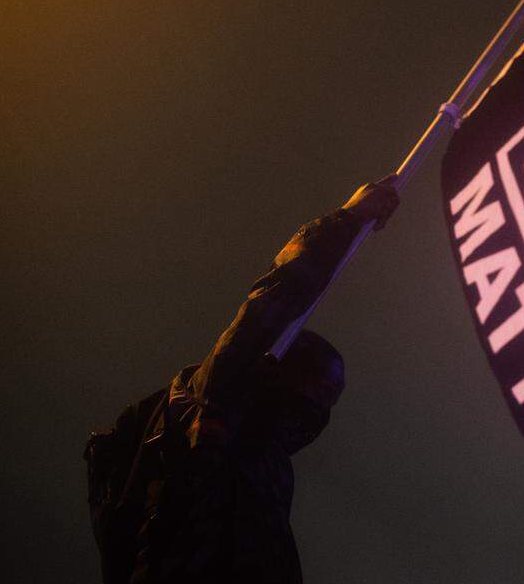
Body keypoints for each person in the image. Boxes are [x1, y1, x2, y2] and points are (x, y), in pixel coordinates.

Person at [85, 175, 400, 584]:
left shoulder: (270, 462)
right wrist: (348, 219)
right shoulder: (213, 399)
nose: (322, 407)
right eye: (321, 387)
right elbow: (273, 300)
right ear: (285, 367)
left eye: (332, 399)